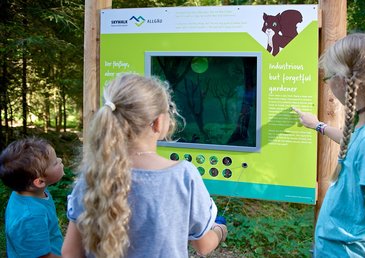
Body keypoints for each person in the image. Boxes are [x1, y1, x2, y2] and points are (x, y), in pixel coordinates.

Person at [61, 73, 228, 258]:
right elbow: (203, 246)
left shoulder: (93, 176)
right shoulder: (184, 176)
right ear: (157, 122)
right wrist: (220, 230)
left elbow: (70, 253)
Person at [300, 33, 365, 257]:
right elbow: (352, 141)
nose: (329, 83)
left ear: (342, 79)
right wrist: (318, 125)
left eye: (328, 77)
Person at [0, 138, 64, 258]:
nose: (60, 160)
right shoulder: (31, 217)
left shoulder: (26, 191)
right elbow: (42, 256)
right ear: (39, 181)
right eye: (55, 163)